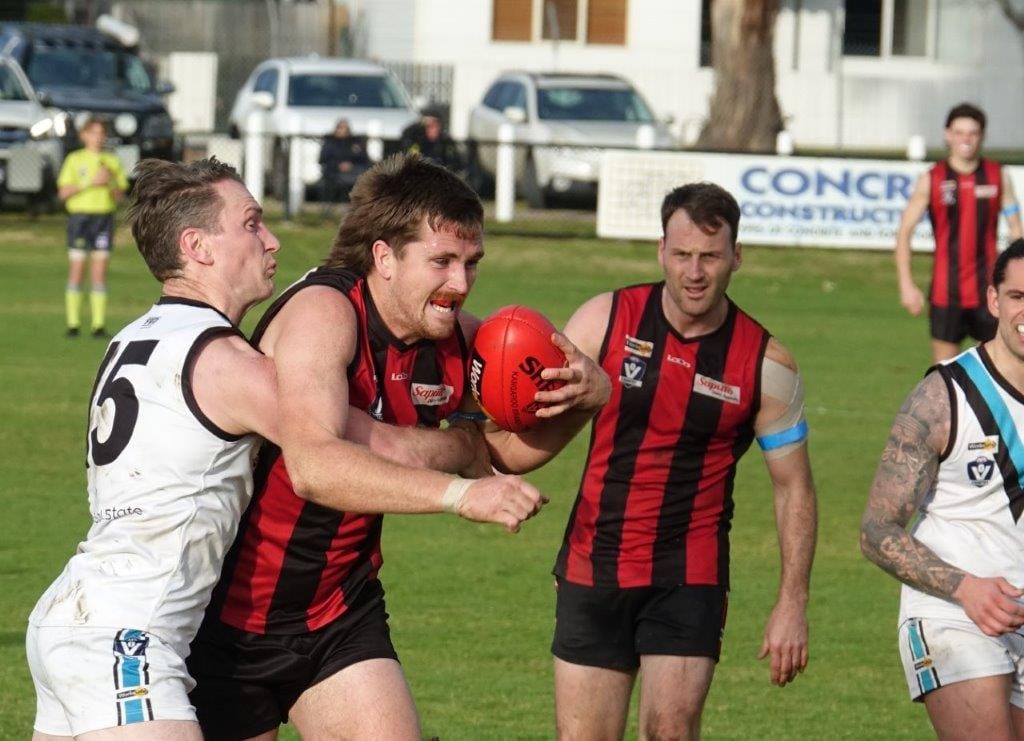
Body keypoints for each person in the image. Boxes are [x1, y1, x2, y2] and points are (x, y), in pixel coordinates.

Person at [25, 157, 545, 741]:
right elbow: (337, 456)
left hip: (75, 611)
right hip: (130, 636)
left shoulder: (138, 336)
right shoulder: (233, 368)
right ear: (197, 246)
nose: (272, 240)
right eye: (252, 224)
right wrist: (467, 470)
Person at [187, 153, 610, 740]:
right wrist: (461, 492)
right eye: (441, 262)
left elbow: (502, 455)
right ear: (384, 257)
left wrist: (590, 399)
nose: (460, 285)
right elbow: (313, 467)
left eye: (471, 264)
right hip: (231, 619)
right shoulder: (325, 313)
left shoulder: (458, 338)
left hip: (341, 611)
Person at [550, 181, 819, 739]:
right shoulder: (605, 319)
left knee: (669, 731)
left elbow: (794, 488)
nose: (695, 272)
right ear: (661, 252)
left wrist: (792, 601)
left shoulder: (766, 364)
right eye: (683, 255)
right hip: (593, 560)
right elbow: (533, 421)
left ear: (736, 257)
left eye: (711, 256)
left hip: (689, 570)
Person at [862, 237, 1024, 739]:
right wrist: (965, 588)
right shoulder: (944, 395)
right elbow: (877, 530)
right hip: (955, 614)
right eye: (1019, 296)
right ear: (995, 301)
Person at [895, 102, 1023, 364]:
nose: (966, 139)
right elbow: (904, 234)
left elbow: (1016, 232)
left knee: (998, 371)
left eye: (972, 133)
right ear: (947, 135)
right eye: (959, 132)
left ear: (982, 136)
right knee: (945, 374)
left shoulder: (998, 176)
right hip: (946, 293)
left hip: (988, 293)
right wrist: (906, 285)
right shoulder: (933, 178)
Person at [57, 116, 129, 338]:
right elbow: (63, 193)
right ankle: (73, 324)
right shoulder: (74, 159)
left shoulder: (112, 161)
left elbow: (120, 196)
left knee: (99, 271)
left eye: (101, 133)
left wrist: (110, 183)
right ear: (84, 135)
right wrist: (91, 183)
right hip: (80, 218)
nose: (98, 138)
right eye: (93, 133)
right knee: (77, 270)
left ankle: (98, 325)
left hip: (103, 219)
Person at [318, 118, 369, 203]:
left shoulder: (355, 143)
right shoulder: (329, 143)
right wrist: (338, 165)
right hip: (334, 173)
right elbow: (322, 160)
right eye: (340, 128)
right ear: (336, 129)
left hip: (353, 172)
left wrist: (351, 165)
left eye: (346, 128)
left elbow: (364, 159)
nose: (343, 131)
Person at [401, 109, 464, 173]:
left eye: (435, 126)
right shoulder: (420, 142)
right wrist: (420, 122)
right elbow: (406, 133)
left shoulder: (446, 142)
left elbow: (456, 164)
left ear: (439, 127)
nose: (432, 130)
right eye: (428, 126)